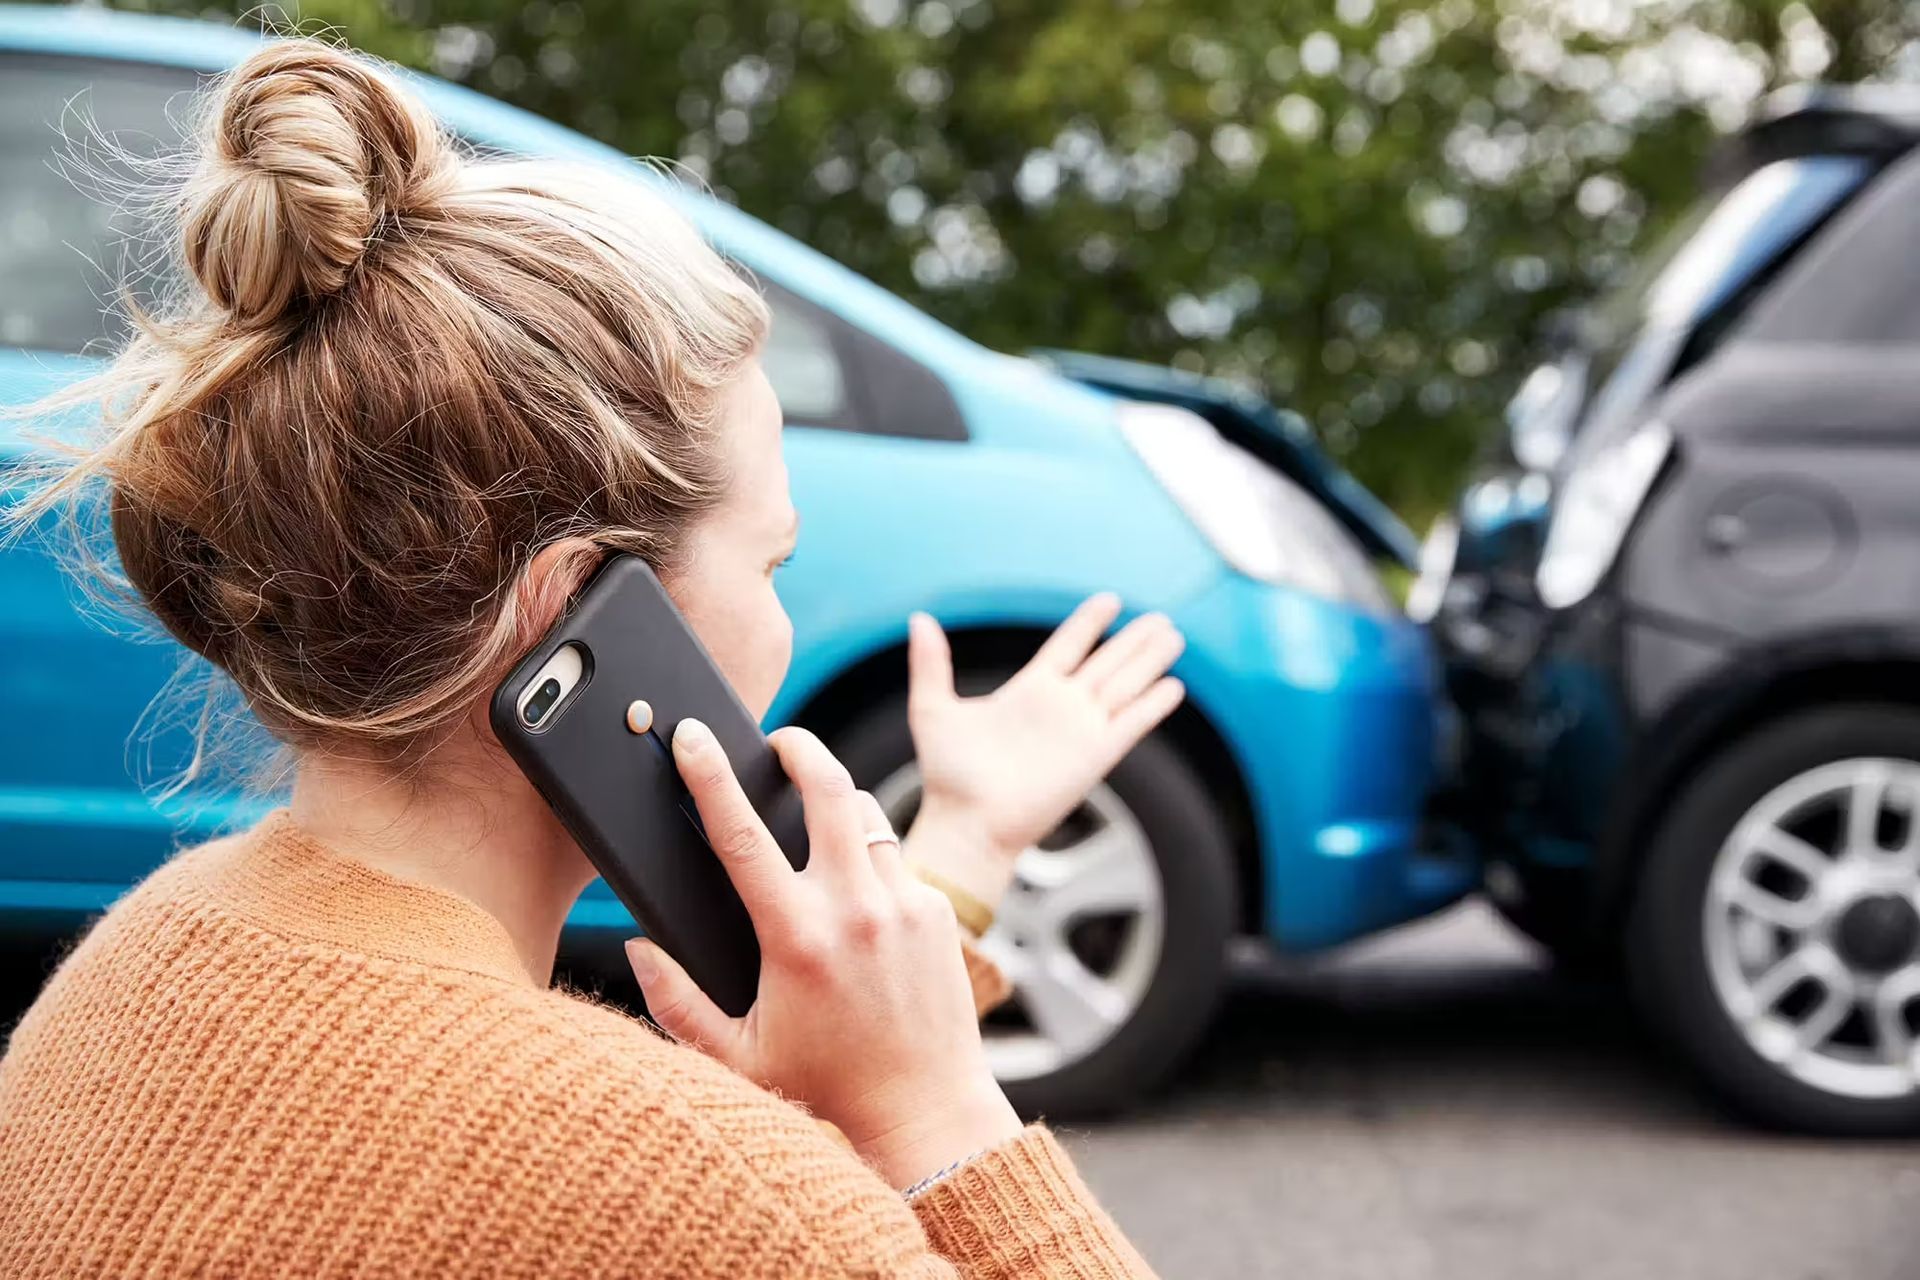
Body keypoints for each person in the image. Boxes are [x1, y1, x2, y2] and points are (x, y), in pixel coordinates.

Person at [0, 37, 1190, 1278]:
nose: (777, 615)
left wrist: (960, 854)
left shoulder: (126, 971)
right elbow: (679, 1189)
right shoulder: (721, 1199)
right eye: (770, 564)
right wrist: (936, 1113)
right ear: (572, 611)